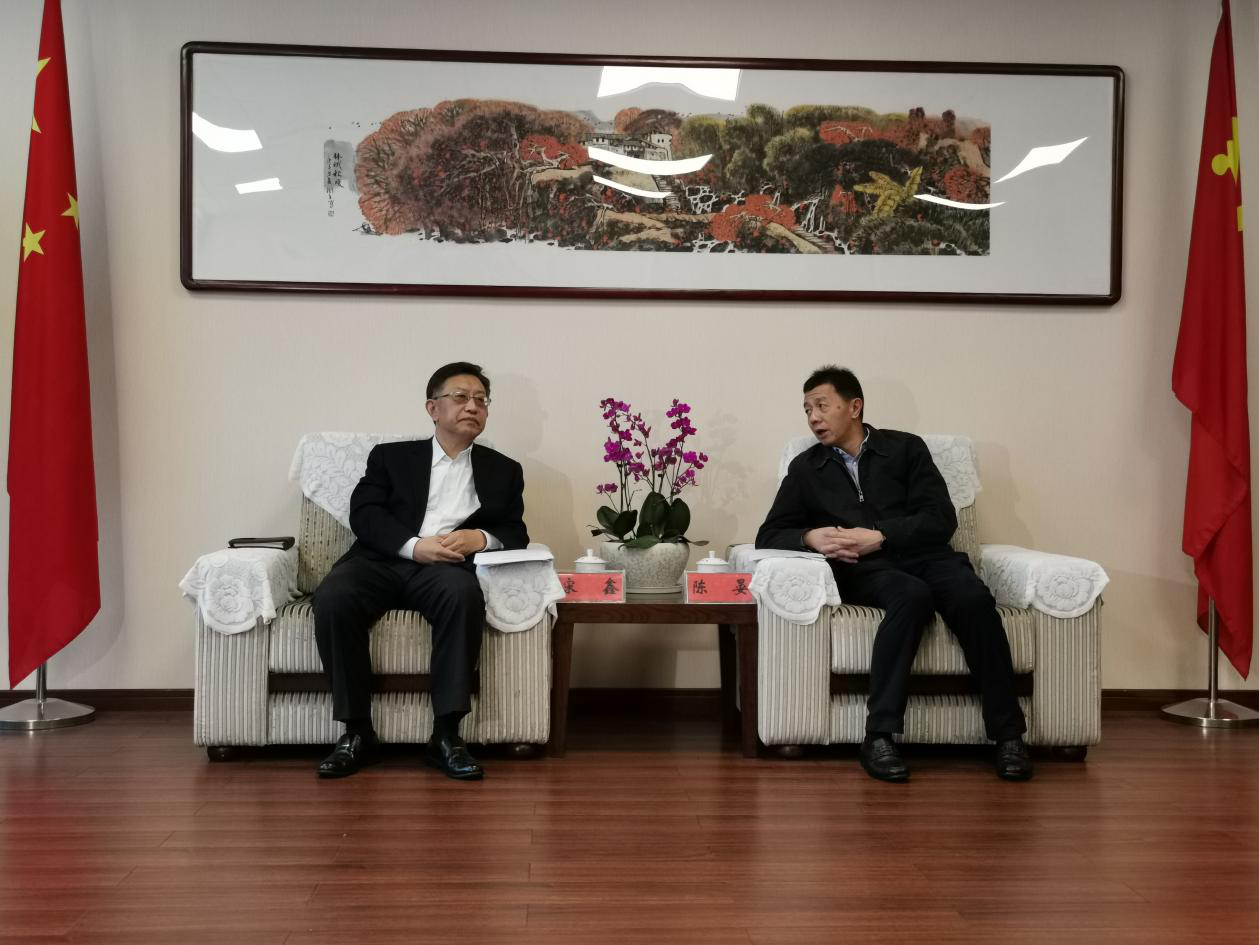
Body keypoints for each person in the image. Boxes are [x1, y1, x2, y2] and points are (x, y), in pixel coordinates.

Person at [755, 366, 1032, 783]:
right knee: (911, 596)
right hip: (866, 570)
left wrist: (882, 535)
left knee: (973, 598)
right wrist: (809, 536)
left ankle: (1009, 736)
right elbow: (769, 533)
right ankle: (879, 736)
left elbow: (941, 518)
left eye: (822, 406)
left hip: (930, 558)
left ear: (854, 407)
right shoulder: (806, 468)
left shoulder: (905, 449)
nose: (813, 417)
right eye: (807, 409)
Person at [312, 362, 529, 781]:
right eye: (461, 397)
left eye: (481, 400)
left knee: (462, 596)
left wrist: (478, 538)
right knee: (335, 595)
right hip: (381, 561)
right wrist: (414, 546)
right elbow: (365, 514)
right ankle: (356, 733)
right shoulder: (391, 458)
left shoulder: (504, 469)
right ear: (433, 408)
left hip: (446, 568)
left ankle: (446, 736)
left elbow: (514, 531)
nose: (473, 407)